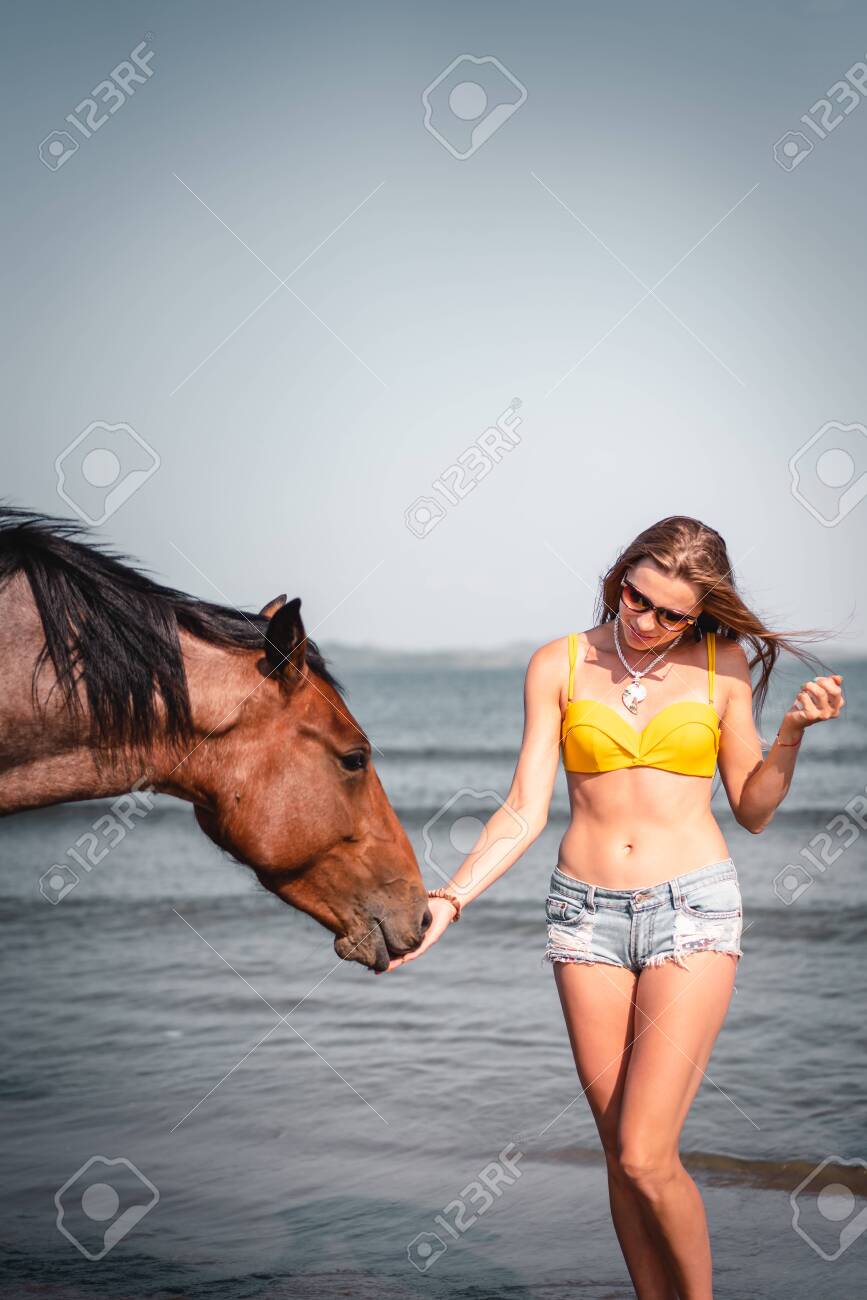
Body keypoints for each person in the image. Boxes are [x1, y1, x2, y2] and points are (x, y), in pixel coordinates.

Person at [381, 516, 845, 1300]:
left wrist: (791, 733)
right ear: (620, 576)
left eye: (672, 613)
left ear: (697, 615)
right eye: (639, 598)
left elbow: (755, 809)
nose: (649, 620)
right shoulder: (557, 663)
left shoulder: (719, 665)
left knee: (643, 1152)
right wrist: (450, 897)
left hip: (691, 911)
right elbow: (525, 808)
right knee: (618, 1155)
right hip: (583, 917)